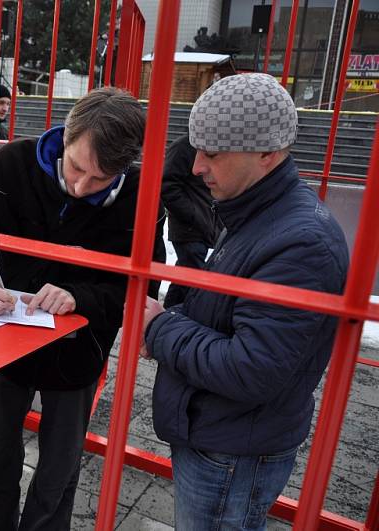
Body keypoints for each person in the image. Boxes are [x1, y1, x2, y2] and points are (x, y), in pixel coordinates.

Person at [0, 87, 165, 530]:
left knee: (59, 469)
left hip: (79, 348)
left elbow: (142, 286)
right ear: (65, 137)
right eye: (77, 167)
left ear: (124, 168)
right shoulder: (12, 164)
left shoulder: (142, 195)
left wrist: (81, 295)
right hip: (2, 339)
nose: (81, 187)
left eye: (99, 180)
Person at [140, 73, 349, 530]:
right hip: (222, 434)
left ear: (267, 154)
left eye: (212, 153)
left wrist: (160, 328)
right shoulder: (254, 212)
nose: (195, 167)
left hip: (232, 449)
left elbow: (251, 368)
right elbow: (226, 313)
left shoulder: (301, 243)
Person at [161, 133, 223, 307]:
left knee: (186, 273)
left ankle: (170, 312)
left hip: (203, 223)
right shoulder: (184, 146)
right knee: (192, 274)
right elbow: (166, 185)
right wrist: (192, 215)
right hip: (189, 226)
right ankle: (179, 313)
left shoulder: (205, 145)